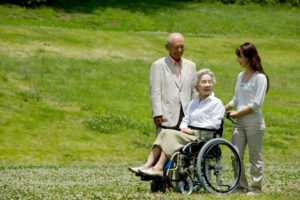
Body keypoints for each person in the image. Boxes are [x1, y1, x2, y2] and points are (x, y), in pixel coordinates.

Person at [129, 69, 225, 177]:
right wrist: (184, 128)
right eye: (204, 82)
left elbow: (215, 124)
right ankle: (147, 166)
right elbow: (185, 120)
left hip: (204, 137)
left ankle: (159, 168)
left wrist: (193, 131)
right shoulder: (194, 102)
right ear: (197, 85)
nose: (207, 85)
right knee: (164, 132)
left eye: (210, 82)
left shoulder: (216, 103)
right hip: (190, 136)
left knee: (171, 135)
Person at [225, 42, 269, 195]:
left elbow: (256, 104)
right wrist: (220, 109)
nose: (238, 59)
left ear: (250, 58)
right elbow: (236, 100)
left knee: (254, 156)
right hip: (239, 122)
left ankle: (256, 188)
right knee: (234, 155)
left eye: (240, 56)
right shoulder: (240, 75)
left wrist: (237, 114)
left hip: (254, 122)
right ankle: (241, 187)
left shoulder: (260, 78)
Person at [149, 33, 196, 137]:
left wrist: (194, 112)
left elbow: (193, 91)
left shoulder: (191, 66)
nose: (179, 50)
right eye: (176, 47)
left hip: (186, 116)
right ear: (167, 47)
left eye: (182, 47)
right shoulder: (158, 65)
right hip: (166, 116)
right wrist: (157, 113)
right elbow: (155, 91)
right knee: (163, 147)